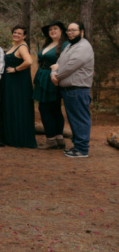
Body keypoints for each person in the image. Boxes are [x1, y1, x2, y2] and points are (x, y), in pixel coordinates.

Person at [51, 22, 94, 158]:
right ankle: (77, 146)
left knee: (80, 119)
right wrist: (54, 72)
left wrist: (56, 76)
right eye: (69, 30)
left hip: (78, 90)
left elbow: (70, 67)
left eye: (74, 30)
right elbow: (59, 62)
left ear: (81, 32)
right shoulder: (70, 46)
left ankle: (82, 149)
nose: (70, 33)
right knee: (74, 119)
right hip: (70, 90)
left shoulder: (83, 47)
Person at [0, 26, 36, 149]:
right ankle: (11, 136)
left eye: (19, 33)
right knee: (12, 108)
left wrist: (16, 69)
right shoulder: (14, 46)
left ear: (24, 36)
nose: (16, 35)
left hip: (19, 84)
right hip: (11, 83)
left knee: (18, 108)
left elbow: (29, 62)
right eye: (14, 32)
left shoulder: (22, 47)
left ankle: (19, 138)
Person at [34, 21, 68, 150]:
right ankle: (58, 138)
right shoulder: (48, 44)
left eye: (55, 29)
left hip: (53, 78)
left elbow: (66, 61)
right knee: (53, 109)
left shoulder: (65, 45)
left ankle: (51, 139)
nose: (52, 31)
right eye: (50, 30)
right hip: (42, 77)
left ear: (61, 31)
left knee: (46, 109)